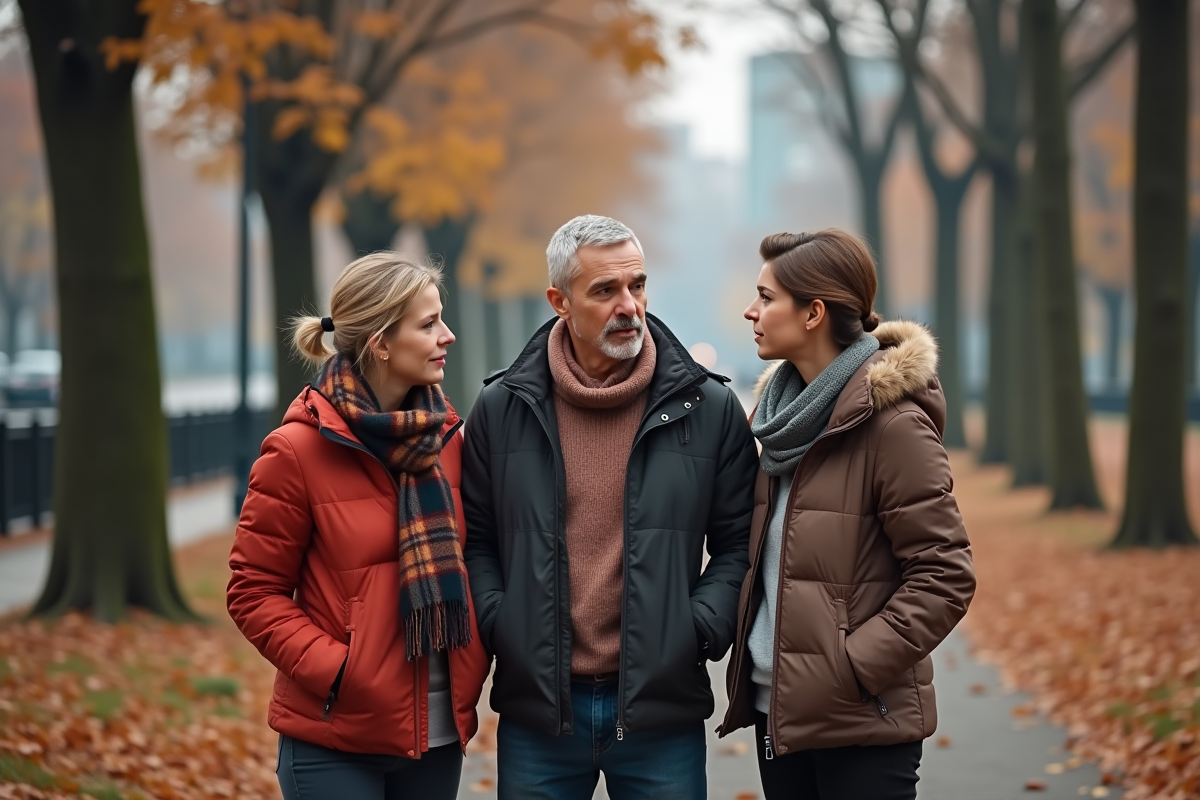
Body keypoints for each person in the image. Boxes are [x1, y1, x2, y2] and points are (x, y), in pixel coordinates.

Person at [461, 214, 758, 799]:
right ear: (560, 302)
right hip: (540, 713)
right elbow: (476, 540)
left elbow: (739, 543)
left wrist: (696, 630)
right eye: (605, 290)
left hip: (661, 709)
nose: (629, 306)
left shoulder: (708, 407)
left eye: (637, 285)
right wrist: (503, 623)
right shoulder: (501, 407)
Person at [720, 229, 976, 800]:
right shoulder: (781, 422)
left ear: (813, 313)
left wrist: (852, 667)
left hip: (861, 718)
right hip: (776, 710)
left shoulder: (893, 425)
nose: (750, 311)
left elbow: (945, 575)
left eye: (766, 297)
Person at [226, 253, 489, 800]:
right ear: (381, 343)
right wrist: (342, 672)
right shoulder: (296, 450)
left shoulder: (448, 440)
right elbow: (252, 591)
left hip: (437, 736)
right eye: (428, 324)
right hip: (334, 741)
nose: (448, 335)